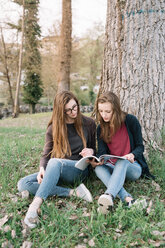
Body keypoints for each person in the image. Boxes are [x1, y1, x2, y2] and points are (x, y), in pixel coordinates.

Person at [17, 91, 96, 228]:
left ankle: (35, 206)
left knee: (54, 162)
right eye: (68, 110)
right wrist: (42, 168)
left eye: (75, 107)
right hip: (57, 170)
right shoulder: (53, 128)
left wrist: (91, 151)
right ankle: (74, 192)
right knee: (23, 184)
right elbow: (46, 154)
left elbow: (95, 149)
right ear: (60, 112)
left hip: (78, 171)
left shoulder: (89, 123)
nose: (73, 112)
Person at [89, 91, 154, 214]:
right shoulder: (101, 128)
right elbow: (102, 152)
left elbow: (140, 147)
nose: (104, 115)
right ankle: (128, 199)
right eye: (101, 111)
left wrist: (132, 154)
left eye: (108, 111)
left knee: (122, 160)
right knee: (98, 169)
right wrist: (97, 160)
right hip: (112, 166)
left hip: (132, 167)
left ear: (116, 109)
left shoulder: (130, 121)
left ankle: (109, 195)